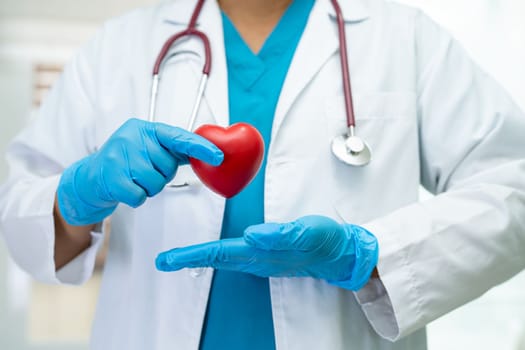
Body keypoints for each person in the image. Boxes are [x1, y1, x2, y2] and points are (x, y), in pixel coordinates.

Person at [1, 0, 525, 349]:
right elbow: (19, 214)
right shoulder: (118, 47)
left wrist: (367, 256)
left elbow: (513, 188)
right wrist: (74, 198)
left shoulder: (404, 37)